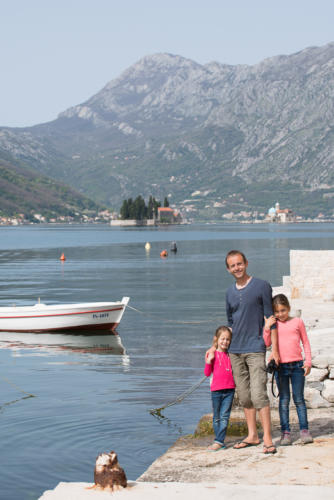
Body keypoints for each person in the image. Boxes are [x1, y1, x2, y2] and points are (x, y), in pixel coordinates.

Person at [223, 249, 279, 454]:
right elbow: (230, 323)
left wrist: (274, 350)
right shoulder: (229, 293)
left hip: (256, 348)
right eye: (232, 266)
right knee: (245, 396)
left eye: (239, 264)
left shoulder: (261, 286)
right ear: (228, 269)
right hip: (235, 350)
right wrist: (216, 346)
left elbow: (271, 319)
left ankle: (267, 438)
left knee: (259, 394)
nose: (237, 268)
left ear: (246, 263)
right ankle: (252, 435)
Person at [263, 293, 313, 445]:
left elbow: (305, 342)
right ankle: (286, 433)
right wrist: (266, 327)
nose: (280, 314)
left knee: (299, 399)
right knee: (284, 400)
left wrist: (308, 361)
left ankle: (304, 431)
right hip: (281, 367)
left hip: (297, 365)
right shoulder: (274, 324)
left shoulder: (298, 322)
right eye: (277, 311)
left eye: (283, 310)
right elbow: (266, 343)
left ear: (289, 308)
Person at [204, 326, 235, 451]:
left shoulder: (231, 354)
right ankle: (219, 440)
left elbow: (232, 330)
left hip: (230, 390)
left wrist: (230, 330)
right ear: (216, 339)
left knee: (224, 416)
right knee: (216, 416)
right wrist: (209, 361)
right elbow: (207, 373)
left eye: (228, 339)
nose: (225, 342)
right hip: (216, 390)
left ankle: (219, 441)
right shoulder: (212, 354)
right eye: (222, 339)